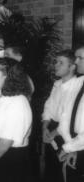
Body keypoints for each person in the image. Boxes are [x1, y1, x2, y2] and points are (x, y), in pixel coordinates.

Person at [41, 50, 77, 182]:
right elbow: (48, 107)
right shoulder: (57, 84)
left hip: (67, 133)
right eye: (56, 62)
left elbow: (69, 116)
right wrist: (45, 127)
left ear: (72, 66)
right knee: (51, 170)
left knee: (64, 172)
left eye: (61, 63)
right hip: (52, 127)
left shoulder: (77, 88)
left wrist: (54, 133)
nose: (56, 65)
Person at [57, 46, 84, 181]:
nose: (76, 61)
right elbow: (66, 115)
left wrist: (69, 147)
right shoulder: (78, 83)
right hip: (76, 146)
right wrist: (72, 147)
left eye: (80, 58)